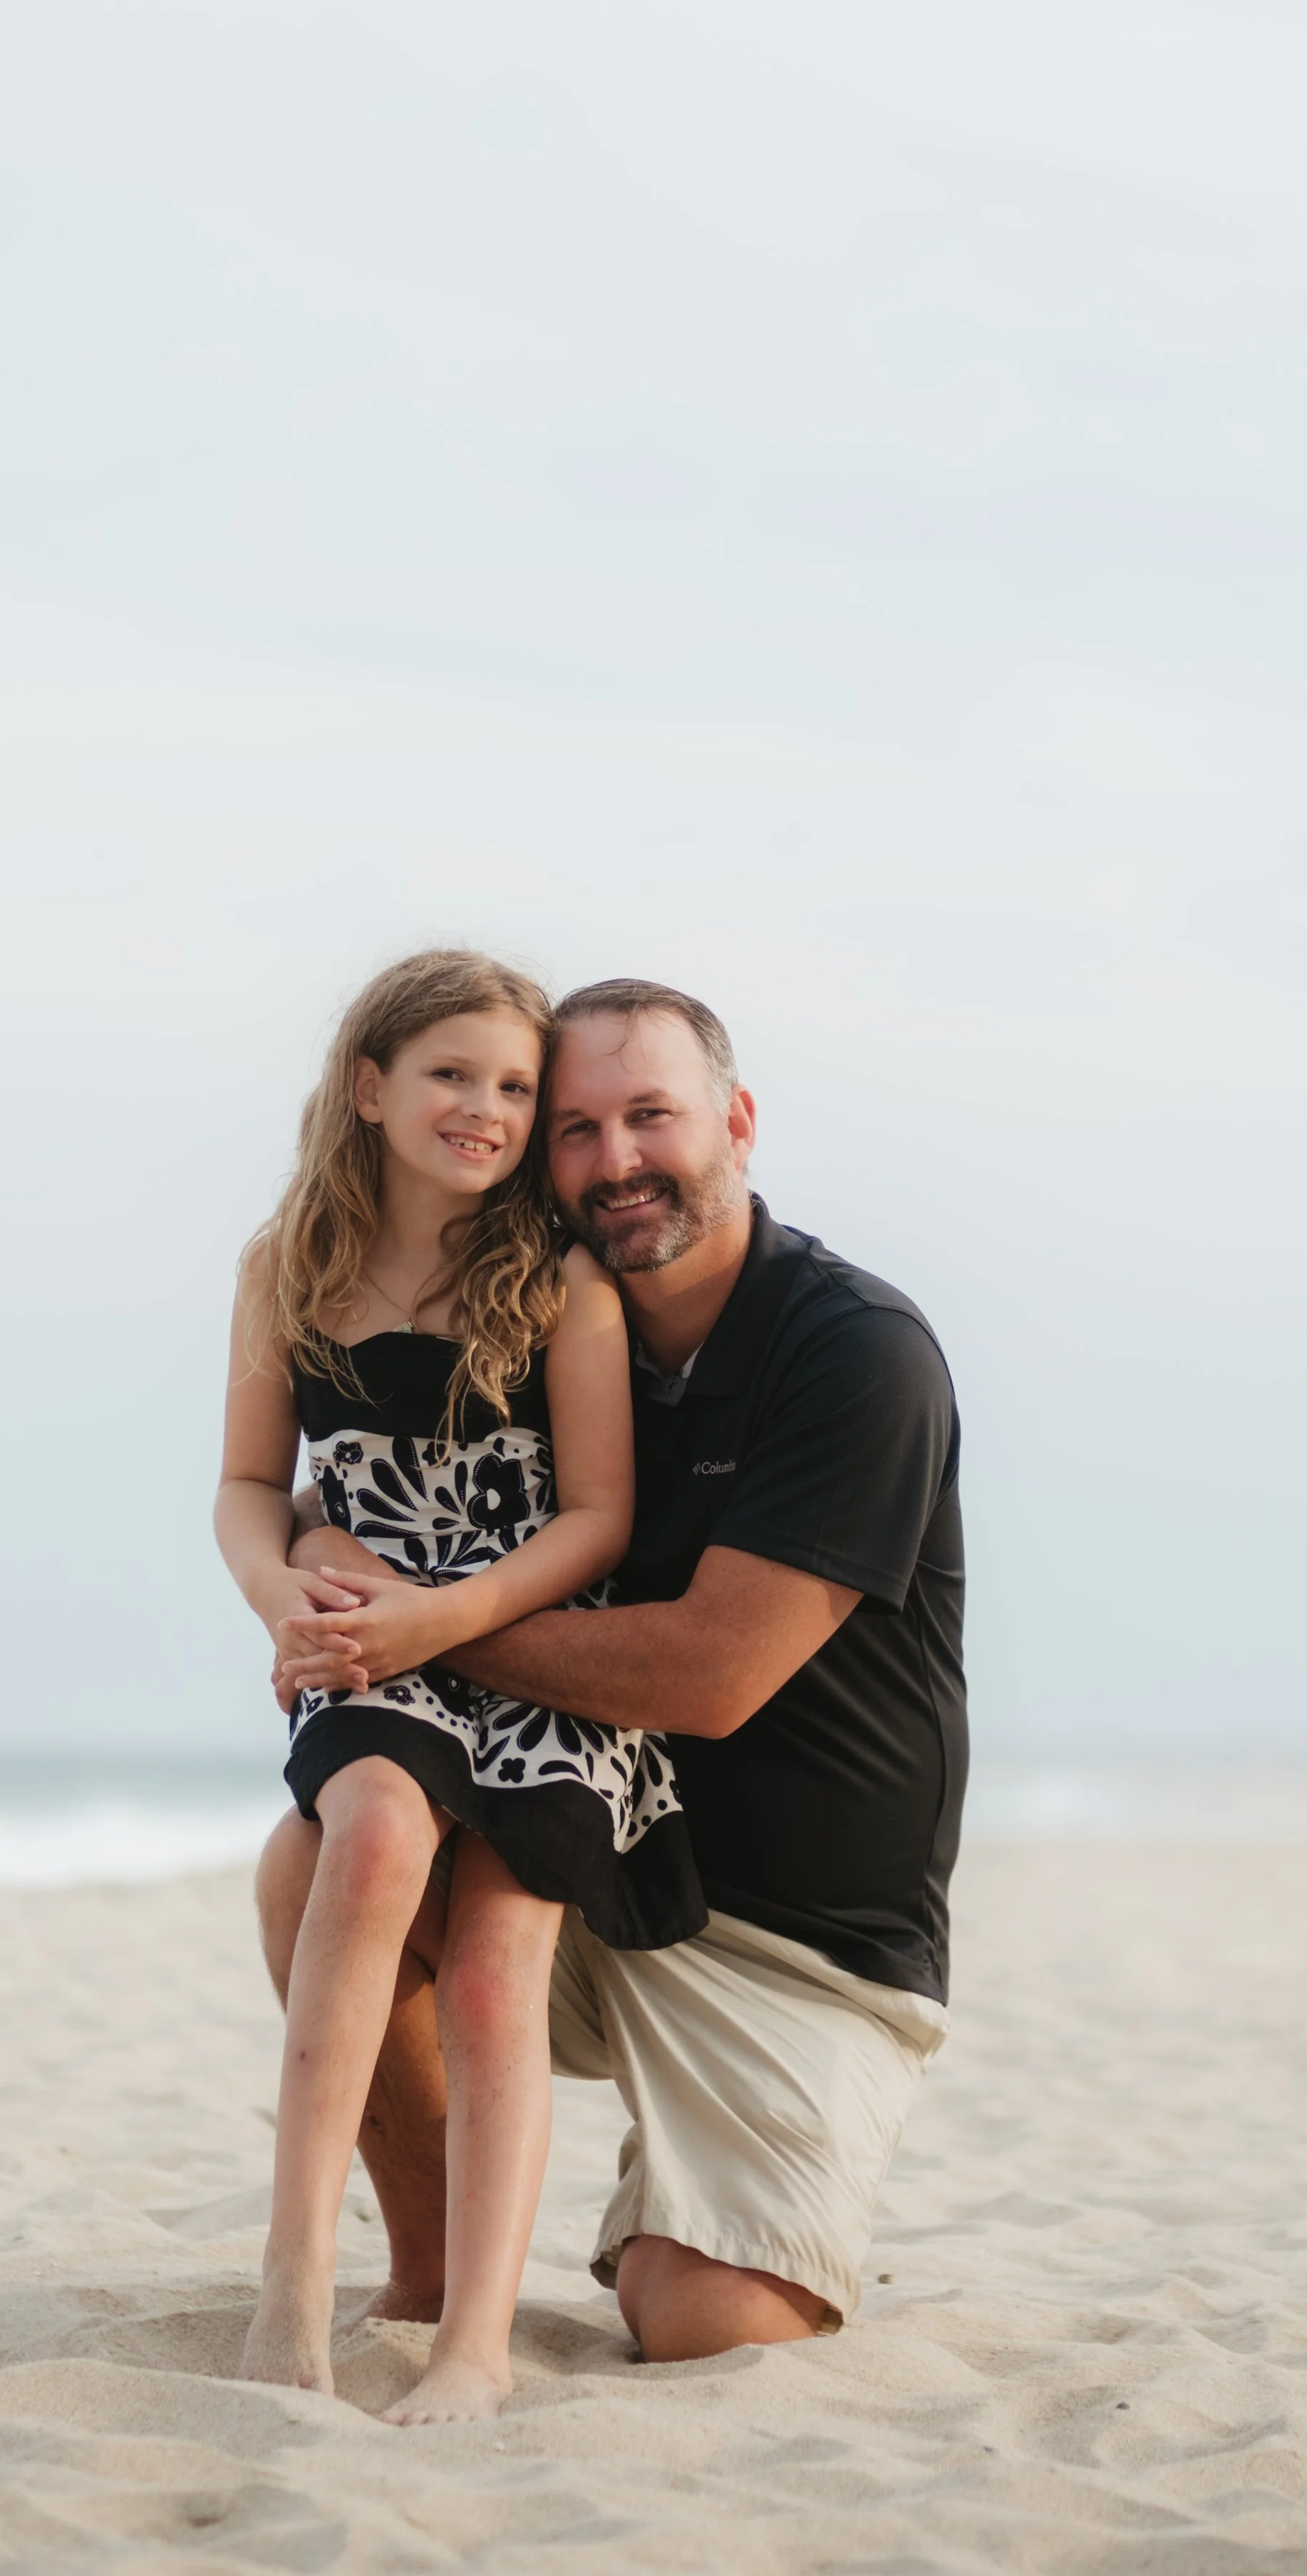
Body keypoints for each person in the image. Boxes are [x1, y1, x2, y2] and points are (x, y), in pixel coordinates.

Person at [265, 977, 967, 2364]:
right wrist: (312, 1571)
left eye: (650, 1117)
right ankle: (425, 2272)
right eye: (574, 1129)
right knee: (316, 1863)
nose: (613, 1161)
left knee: (704, 2327)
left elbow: (709, 1676)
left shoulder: (850, 1353)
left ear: (737, 1123)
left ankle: (686, 2209)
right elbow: (364, 1475)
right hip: (595, 1840)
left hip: (796, 1944)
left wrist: (416, 1619)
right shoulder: (537, 1318)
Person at [215, 950, 705, 2424]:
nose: (485, 1110)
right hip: (368, 1641)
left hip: (523, 1643)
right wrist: (279, 1594)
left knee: (496, 1970)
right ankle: (295, 2277)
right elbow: (250, 1484)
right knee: (361, 1840)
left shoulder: (558, 1283)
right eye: (449, 1076)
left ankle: (475, 2344)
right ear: (367, 1088)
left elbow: (597, 1521)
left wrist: (450, 1616)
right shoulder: (285, 1265)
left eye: (511, 1086)